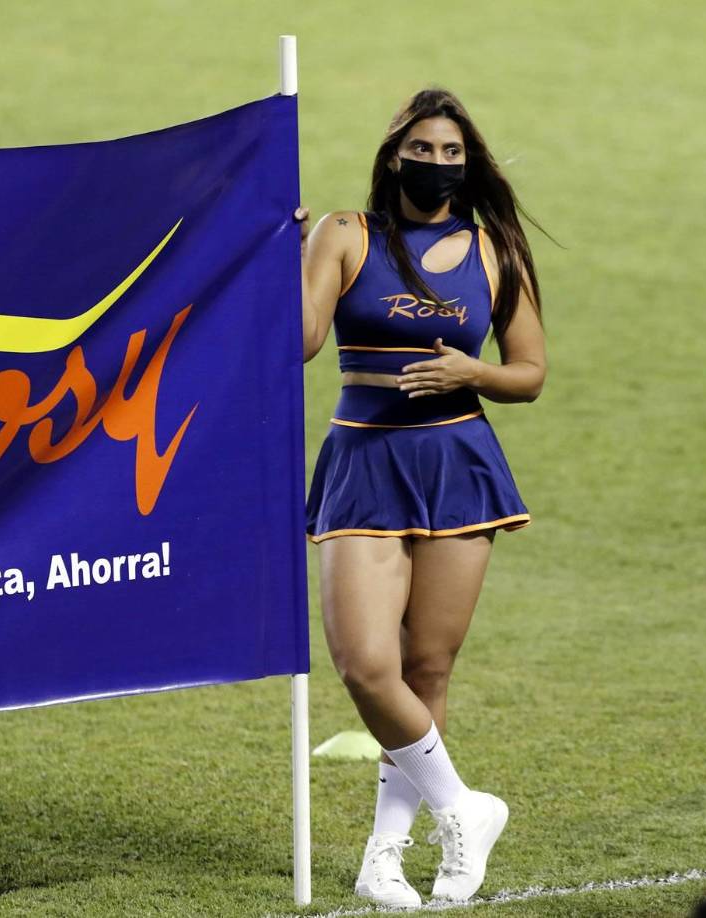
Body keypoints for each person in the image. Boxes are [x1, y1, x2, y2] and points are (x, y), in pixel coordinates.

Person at [295, 86, 548, 907]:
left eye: (451, 153)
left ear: (467, 163)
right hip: (362, 463)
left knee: (426, 667)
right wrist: (278, 260)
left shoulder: (494, 251)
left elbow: (529, 373)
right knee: (366, 666)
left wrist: (472, 372)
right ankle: (461, 809)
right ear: (393, 153)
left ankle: (387, 857)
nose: (436, 164)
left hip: (456, 467)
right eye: (423, 149)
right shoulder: (344, 234)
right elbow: (300, 344)